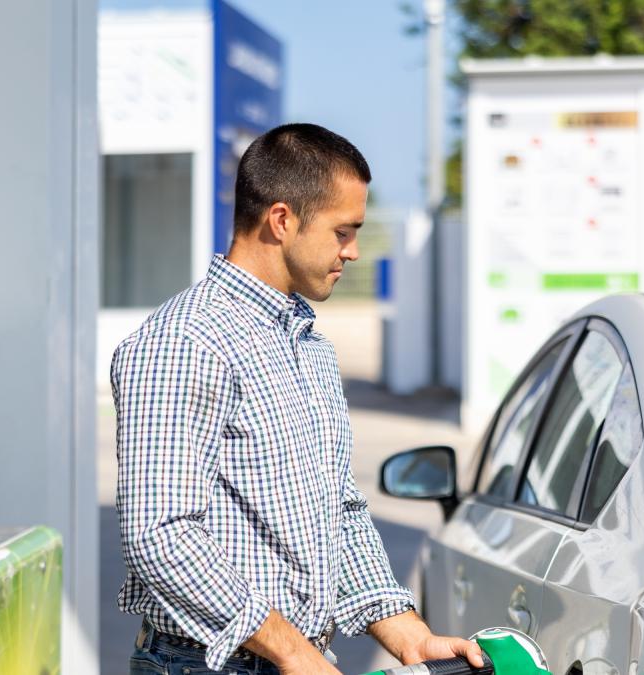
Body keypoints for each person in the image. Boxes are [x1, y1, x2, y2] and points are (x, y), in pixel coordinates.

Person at [110, 123, 484, 675]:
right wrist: (292, 650)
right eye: (342, 232)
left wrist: (403, 628)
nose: (354, 251)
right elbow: (161, 534)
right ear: (282, 220)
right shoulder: (183, 342)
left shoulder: (309, 346)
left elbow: (338, 509)